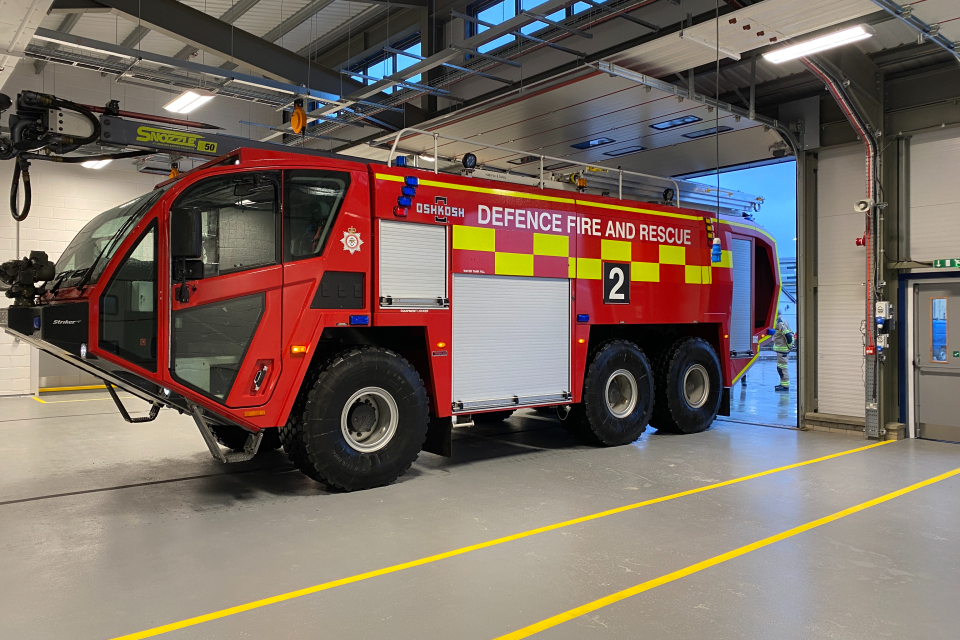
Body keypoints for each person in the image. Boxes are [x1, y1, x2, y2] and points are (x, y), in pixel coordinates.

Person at [771, 315, 794, 392]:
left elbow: (788, 335)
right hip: (782, 349)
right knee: (780, 368)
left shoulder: (779, 322)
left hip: (782, 350)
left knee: (782, 368)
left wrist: (789, 346)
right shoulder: (782, 320)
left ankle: (785, 386)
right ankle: (783, 384)